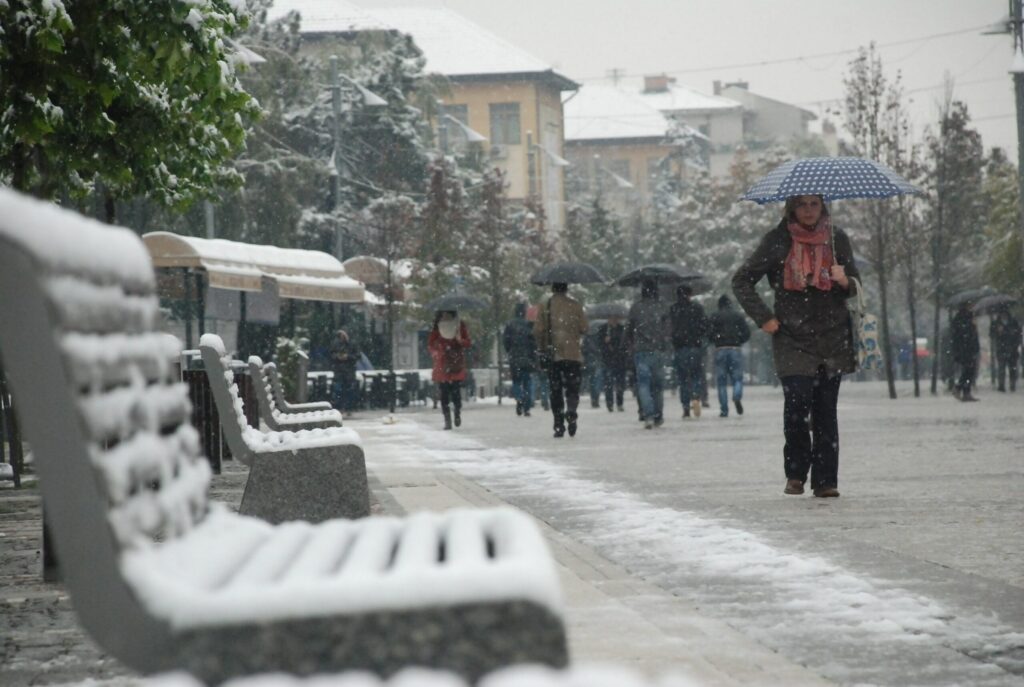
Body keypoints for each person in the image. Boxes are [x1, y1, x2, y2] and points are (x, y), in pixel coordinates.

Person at [732, 194, 860, 498]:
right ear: (791, 207)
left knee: (826, 411)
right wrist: (764, 318)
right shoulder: (777, 240)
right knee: (797, 406)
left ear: (823, 206)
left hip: (832, 337)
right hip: (792, 337)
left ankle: (826, 480)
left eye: (814, 204)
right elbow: (742, 281)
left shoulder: (837, 238)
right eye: (802, 205)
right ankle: (796, 472)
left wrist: (845, 280)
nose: (808, 210)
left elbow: (855, 284)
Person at [533, 282, 587, 438]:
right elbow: (585, 328)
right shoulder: (576, 306)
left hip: (553, 355)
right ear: (566, 288)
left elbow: (538, 330)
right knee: (572, 387)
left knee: (555, 389)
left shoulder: (546, 307)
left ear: (552, 289)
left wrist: (542, 345)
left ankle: (558, 423)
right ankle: (571, 410)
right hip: (573, 354)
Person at [627, 280, 670, 429]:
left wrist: (630, 344)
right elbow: (667, 329)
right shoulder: (661, 307)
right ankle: (658, 415)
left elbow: (629, 330)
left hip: (641, 351)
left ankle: (648, 415)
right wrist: (664, 344)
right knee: (657, 385)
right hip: (657, 350)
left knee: (643, 384)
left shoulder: (636, 308)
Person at [668, 284, 709, 419]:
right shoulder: (697, 308)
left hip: (680, 348)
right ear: (690, 295)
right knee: (697, 374)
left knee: (683, 379)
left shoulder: (673, 309)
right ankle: (696, 395)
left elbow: (669, 328)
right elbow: (705, 326)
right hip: (695, 347)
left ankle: (685, 407)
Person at [708, 295, 751, 418]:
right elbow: (747, 333)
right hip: (735, 348)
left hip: (720, 349)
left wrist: (716, 340)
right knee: (737, 378)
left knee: (721, 382)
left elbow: (709, 333)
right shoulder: (738, 316)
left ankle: (724, 410)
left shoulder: (714, 317)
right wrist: (739, 340)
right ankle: (736, 396)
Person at [428, 311, 472, 429]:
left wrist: (459, 340)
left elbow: (468, 342)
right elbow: (431, 345)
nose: (445, 316)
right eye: (443, 314)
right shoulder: (437, 327)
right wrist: (438, 351)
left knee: (456, 392)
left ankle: (457, 412)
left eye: (448, 313)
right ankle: (447, 419)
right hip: (442, 365)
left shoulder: (459, 325)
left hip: (455, 364)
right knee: (444, 395)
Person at [502, 302, 536, 416]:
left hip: (514, 357)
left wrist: (510, 350)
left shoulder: (510, 325)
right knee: (527, 382)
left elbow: (506, 341)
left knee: (516, 381)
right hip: (527, 357)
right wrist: (532, 355)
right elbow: (533, 342)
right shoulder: (528, 325)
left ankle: (519, 398)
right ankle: (527, 407)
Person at [598, 315, 629, 412]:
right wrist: (605, 342)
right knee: (608, 382)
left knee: (620, 383)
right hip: (608, 359)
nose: (613, 319)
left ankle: (620, 402)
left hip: (620, 359)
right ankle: (610, 403)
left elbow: (625, 343)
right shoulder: (603, 329)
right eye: (611, 317)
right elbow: (599, 344)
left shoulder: (622, 329)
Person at [950, 302, 980, 402]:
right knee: (968, 370)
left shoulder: (966, 318)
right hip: (965, 349)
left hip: (967, 349)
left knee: (969, 370)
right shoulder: (963, 318)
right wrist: (972, 325)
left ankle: (965, 391)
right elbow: (963, 334)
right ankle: (960, 389)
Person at [328, 329, 360, 416]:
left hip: (348, 371)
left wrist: (348, 357)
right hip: (340, 371)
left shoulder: (352, 344)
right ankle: (339, 408)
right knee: (339, 390)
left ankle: (347, 407)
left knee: (348, 390)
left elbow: (357, 356)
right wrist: (338, 357)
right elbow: (331, 355)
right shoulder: (335, 344)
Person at [991, 309, 1022, 392]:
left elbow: (1018, 333)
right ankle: (1001, 385)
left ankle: (1012, 384)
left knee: (1012, 368)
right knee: (1002, 368)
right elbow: (992, 334)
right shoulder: (996, 323)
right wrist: (998, 332)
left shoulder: (1013, 322)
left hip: (1012, 349)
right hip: (1002, 349)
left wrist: (1015, 342)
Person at [583, 325, 605, 408]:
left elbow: (583, 349)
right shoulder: (599, 337)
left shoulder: (587, 338)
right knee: (597, 381)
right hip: (598, 360)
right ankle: (596, 398)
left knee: (592, 381)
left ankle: (594, 399)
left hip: (590, 361)